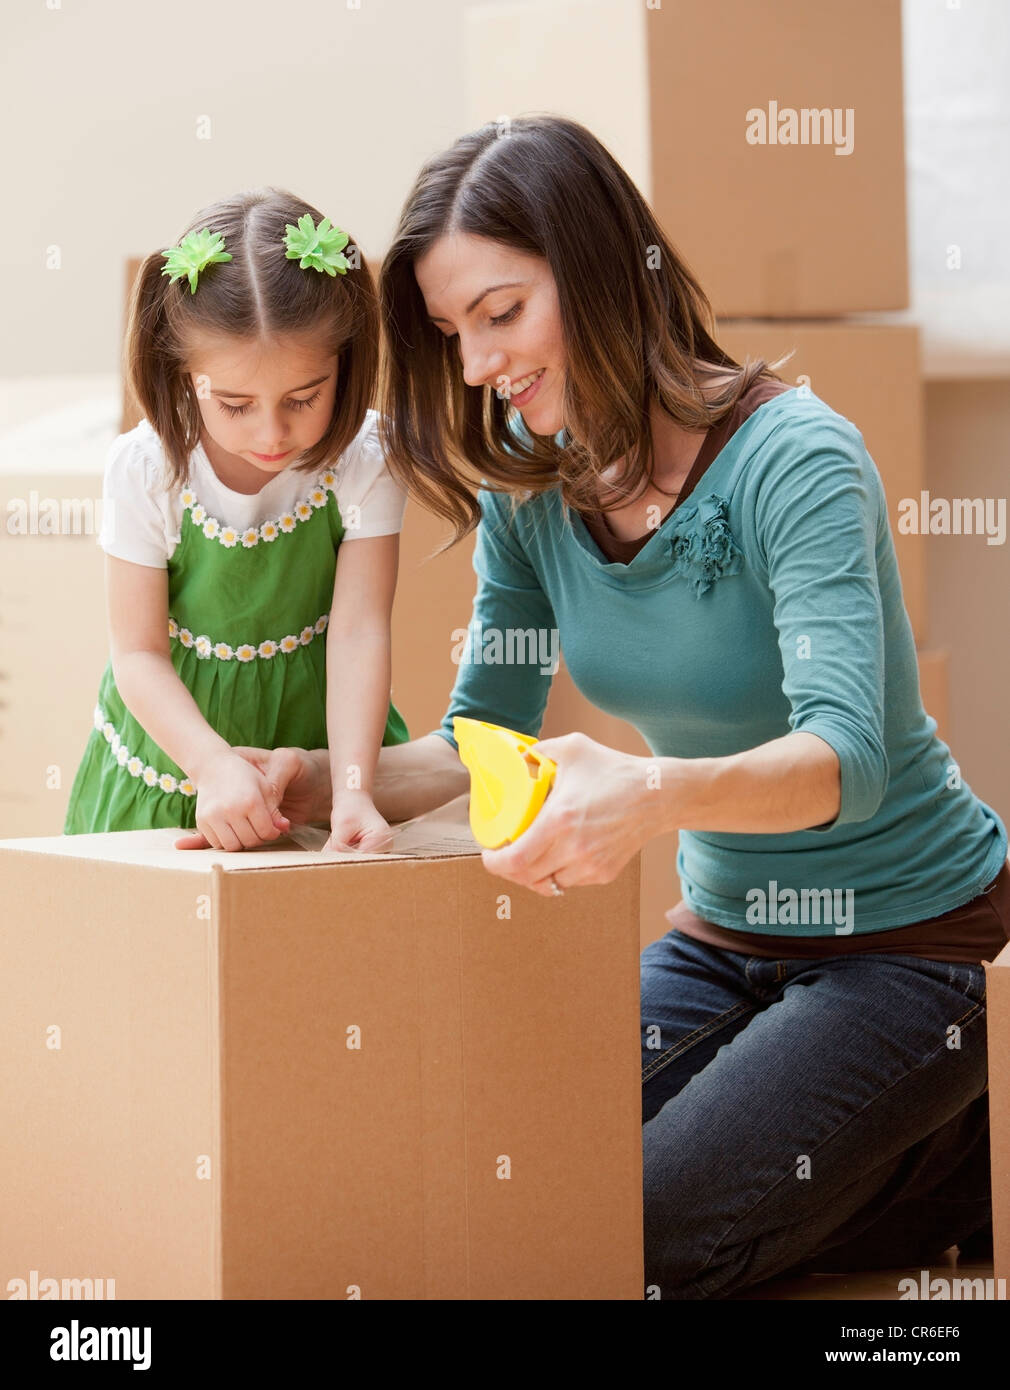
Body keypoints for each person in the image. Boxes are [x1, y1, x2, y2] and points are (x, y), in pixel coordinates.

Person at [177, 117, 1008, 1299]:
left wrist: (645, 791)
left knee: (639, 1237)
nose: (474, 367)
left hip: (911, 945)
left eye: (500, 313)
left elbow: (847, 758)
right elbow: (487, 744)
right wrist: (313, 779)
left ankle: (966, 1148)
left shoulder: (795, 459)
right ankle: (883, 1146)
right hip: (726, 941)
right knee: (515, 1180)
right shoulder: (533, 478)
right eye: (452, 332)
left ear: (603, 268)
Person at [63, 188, 410, 852]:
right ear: (183, 373)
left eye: (304, 398)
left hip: (314, 753)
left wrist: (355, 788)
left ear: (346, 362)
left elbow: (360, 631)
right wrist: (212, 765)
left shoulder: (367, 459)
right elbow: (137, 653)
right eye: (235, 404)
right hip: (175, 758)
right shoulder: (146, 469)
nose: (273, 432)